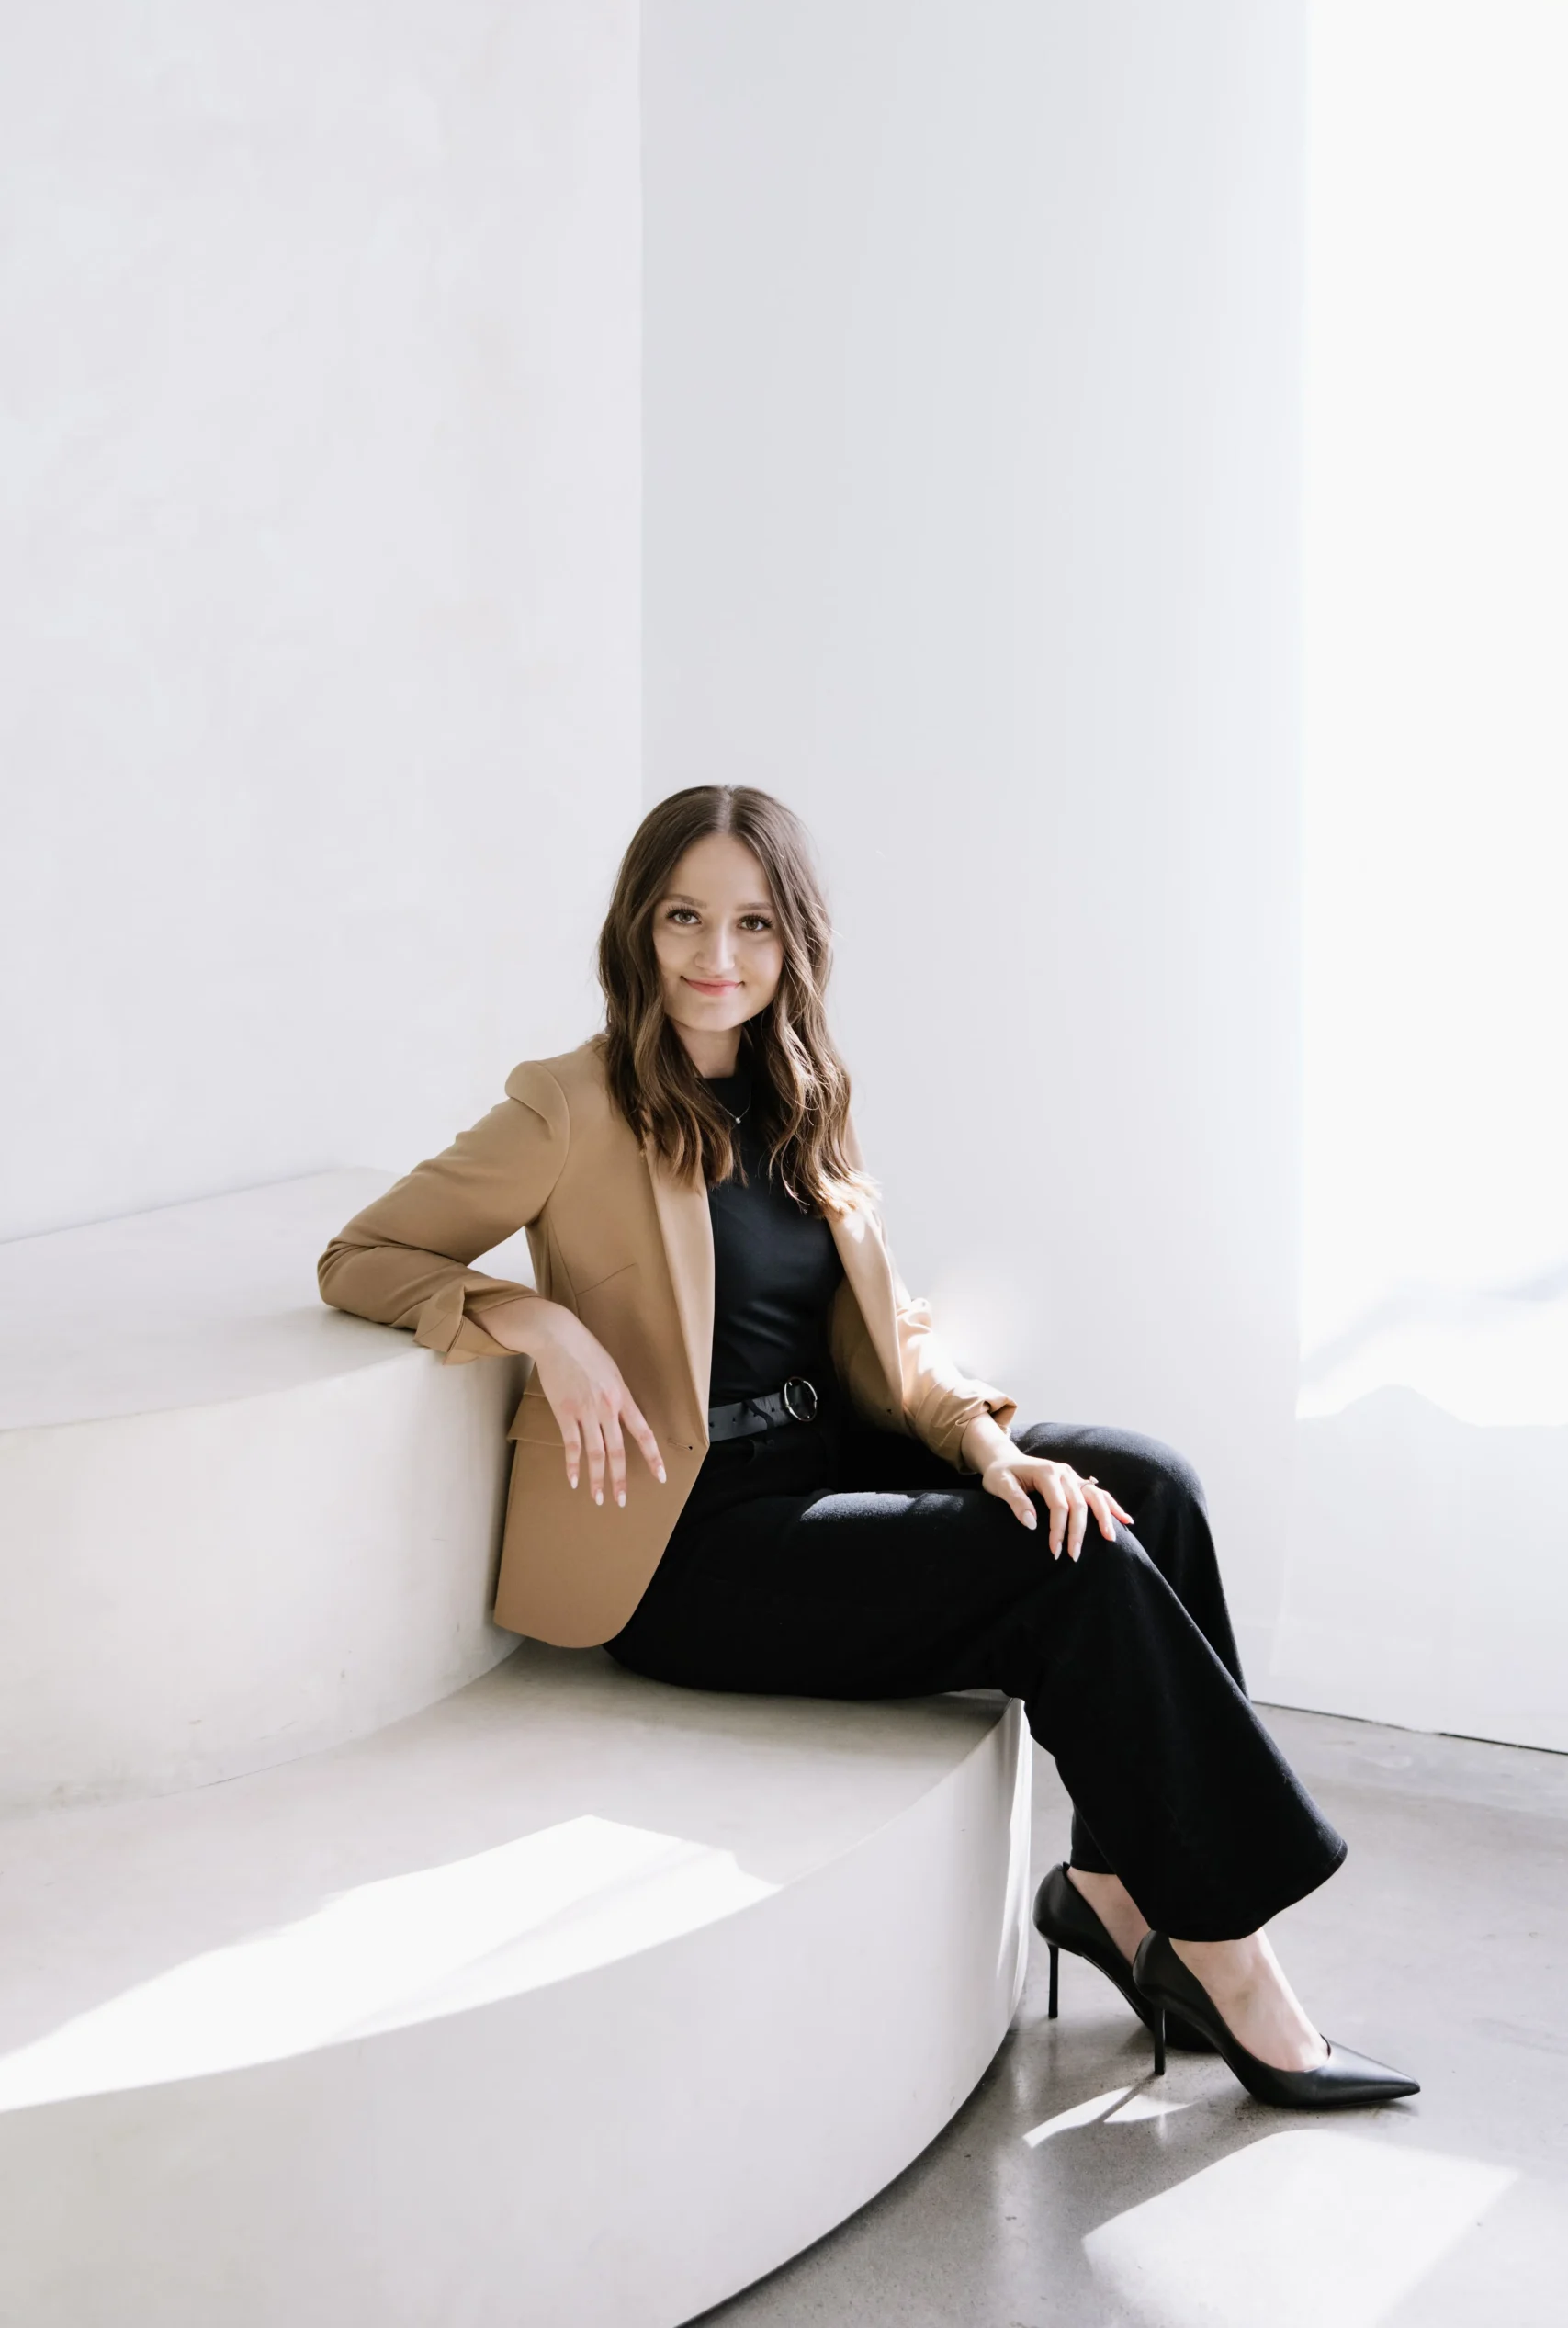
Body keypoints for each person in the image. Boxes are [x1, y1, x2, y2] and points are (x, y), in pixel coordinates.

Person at [320, 784, 1416, 2109]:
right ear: (635, 928)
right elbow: (364, 1255)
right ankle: (1233, 1970)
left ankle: (1119, 1891)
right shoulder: (568, 1106)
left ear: (796, 944)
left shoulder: (799, 1096)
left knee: (1143, 1487)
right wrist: (532, 1317)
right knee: (1065, 1573)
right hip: (691, 1547)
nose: (713, 959)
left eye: (752, 925)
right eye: (682, 918)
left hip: (826, 1458)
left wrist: (982, 1443)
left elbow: (888, 1331)